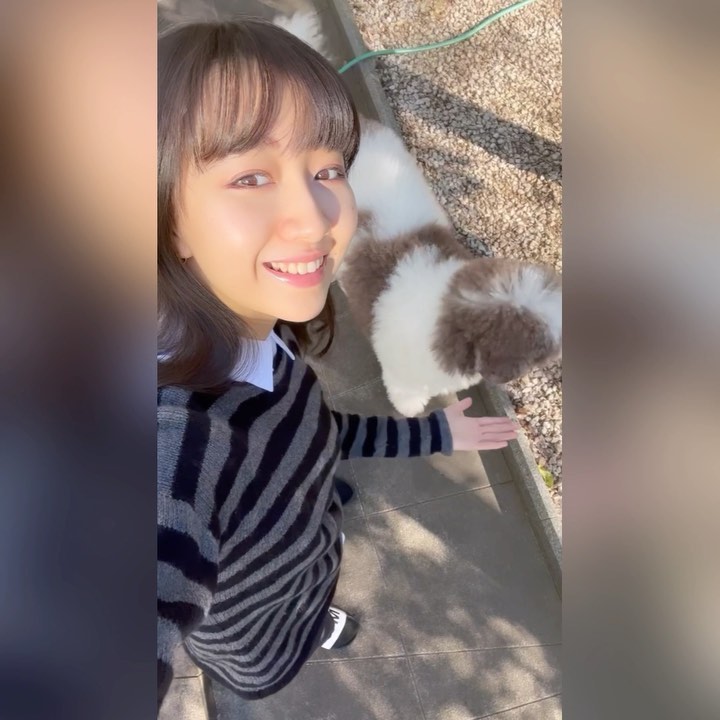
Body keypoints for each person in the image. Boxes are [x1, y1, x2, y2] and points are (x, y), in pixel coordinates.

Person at [157, 18, 517, 711]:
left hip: (309, 540)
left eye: (327, 170)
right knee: (280, 651)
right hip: (259, 641)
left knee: (319, 538)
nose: (316, 216)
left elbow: (312, 429)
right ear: (168, 215)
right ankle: (309, 631)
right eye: (251, 177)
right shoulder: (176, 442)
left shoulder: (256, 330)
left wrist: (437, 433)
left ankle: (317, 599)